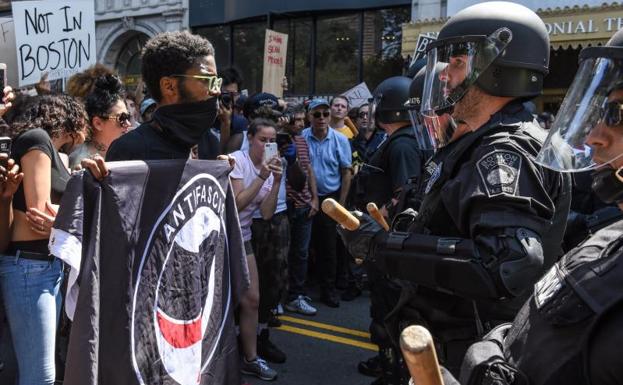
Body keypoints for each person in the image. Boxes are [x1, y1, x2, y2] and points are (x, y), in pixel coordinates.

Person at [340, 1, 571, 380]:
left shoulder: (503, 151)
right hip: (451, 346)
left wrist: (387, 248)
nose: (444, 77)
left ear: (497, 69)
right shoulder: (479, 142)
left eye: (458, 64)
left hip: (471, 354)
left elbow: (505, 263)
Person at [452, 27, 623, 385]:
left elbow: (510, 262)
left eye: (619, 114)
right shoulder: (606, 243)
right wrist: (501, 348)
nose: (594, 136)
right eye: (603, 111)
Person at [0, 94, 87, 385]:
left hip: (41, 267)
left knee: (36, 372)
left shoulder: (48, 149)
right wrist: (80, 213)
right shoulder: (36, 140)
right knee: (40, 377)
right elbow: (40, 218)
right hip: (30, 267)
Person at [100, 31, 222, 162]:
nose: (217, 91)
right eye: (206, 80)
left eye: (216, 81)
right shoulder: (130, 150)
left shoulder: (210, 143)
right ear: (169, 86)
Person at [229, 118, 283, 381]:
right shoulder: (235, 160)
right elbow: (237, 203)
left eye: (273, 141)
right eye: (263, 139)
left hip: (245, 235)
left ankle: (250, 359)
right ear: (250, 138)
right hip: (221, 236)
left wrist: (275, 182)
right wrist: (262, 174)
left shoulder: (270, 169)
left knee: (252, 299)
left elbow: (266, 212)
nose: (268, 145)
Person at [303, 98, 352, 308]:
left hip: (331, 198)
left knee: (329, 248)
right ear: (309, 117)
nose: (322, 118)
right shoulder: (302, 138)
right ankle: (302, 289)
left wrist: (339, 206)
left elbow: (346, 173)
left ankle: (328, 289)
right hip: (306, 198)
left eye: (325, 114)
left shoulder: (340, 140)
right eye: (317, 114)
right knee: (304, 245)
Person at [281, 104, 319, 315]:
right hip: (284, 205)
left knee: (301, 254)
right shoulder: (277, 142)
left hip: (304, 204)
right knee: (282, 255)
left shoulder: (303, 141)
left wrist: (315, 198)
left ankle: (296, 295)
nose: (299, 124)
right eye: (295, 120)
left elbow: (309, 169)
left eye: (301, 121)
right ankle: (279, 297)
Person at [69, 74, 131, 168]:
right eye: (121, 118)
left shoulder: (131, 151)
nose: (128, 124)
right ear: (98, 123)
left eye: (128, 117)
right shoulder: (79, 162)